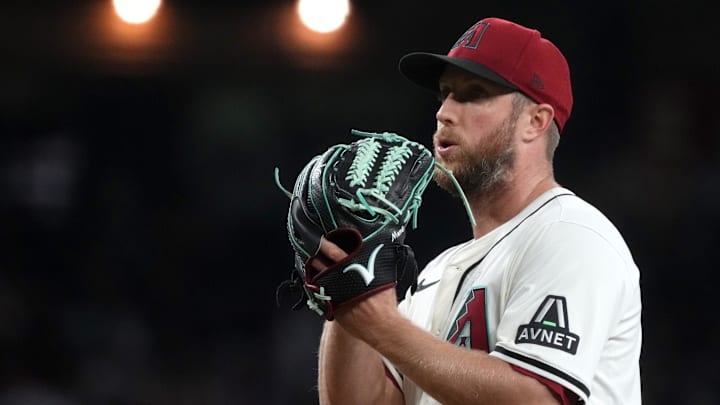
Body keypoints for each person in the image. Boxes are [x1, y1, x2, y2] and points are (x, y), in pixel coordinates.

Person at [308, 17, 642, 404]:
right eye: (445, 94)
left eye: (473, 94)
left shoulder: (571, 235)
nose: (444, 112)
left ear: (535, 121)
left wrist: (382, 326)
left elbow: (536, 399)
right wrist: (350, 291)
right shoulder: (437, 272)